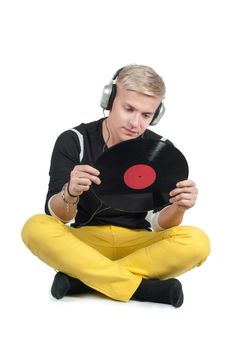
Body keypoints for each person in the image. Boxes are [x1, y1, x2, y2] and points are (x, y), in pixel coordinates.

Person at [21, 64, 210, 308]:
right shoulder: (73, 140)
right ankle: (142, 288)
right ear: (110, 100)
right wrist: (70, 192)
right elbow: (58, 216)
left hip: (138, 244)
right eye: (128, 108)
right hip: (84, 243)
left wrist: (179, 207)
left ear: (156, 114)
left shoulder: (160, 149)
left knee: (198, 242)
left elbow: (159, 224)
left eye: (146, 115)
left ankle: (84, 281)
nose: (135, 122)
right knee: (35, 227)